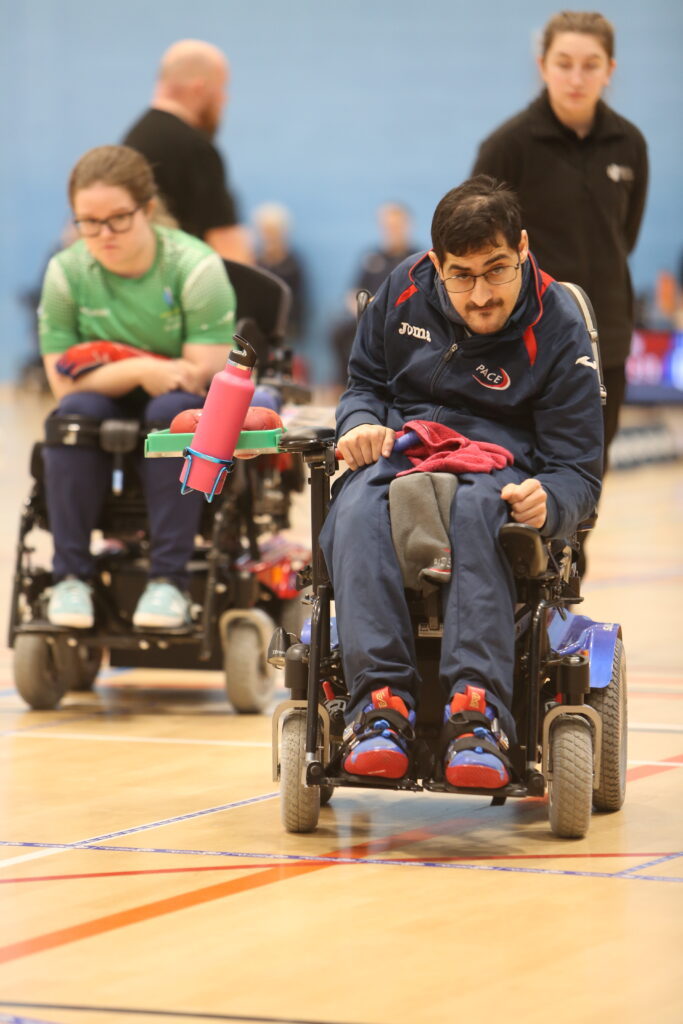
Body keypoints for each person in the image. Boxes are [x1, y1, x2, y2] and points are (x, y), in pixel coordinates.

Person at [320, 175, 603, 789]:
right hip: (405, 451)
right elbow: (363, 383)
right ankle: (379, 710)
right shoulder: (402, 290)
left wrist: (549, 500)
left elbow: (578, 470)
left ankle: (478, 716)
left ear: (523, 249)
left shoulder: (557, 326)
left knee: (484, 512)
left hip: (501, 469)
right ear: (435, 264)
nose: (479, 295)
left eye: (497, 270)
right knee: (356, 507)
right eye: (461, 275)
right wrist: (363, 422)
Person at [38, 145, 236, 630]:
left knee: (173, 411)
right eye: (88, 222)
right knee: (73, 415)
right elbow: (63, 384)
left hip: (177, 395)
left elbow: (196, 370)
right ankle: (71, 579)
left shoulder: (196, 267)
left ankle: (167, 581)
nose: (103, 234)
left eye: (118, 219)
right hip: (109, 392)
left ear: (147, 209)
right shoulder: (66, 272)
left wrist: (116, 362)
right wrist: (140, 367)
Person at [472, 11, 648, 462]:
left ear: (610, 70)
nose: (576, 77)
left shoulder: (631, 144)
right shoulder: (507, 146)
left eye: (590, 64)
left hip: (606, 338)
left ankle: (581, 539)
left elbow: (623, 238)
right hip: (527, 340)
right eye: (563, 62)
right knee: (528, 473)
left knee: (590, 473)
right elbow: (473, 244)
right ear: (542, 65)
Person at [123, 39, 253, 264]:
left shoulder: (132, 140)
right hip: (188, 290)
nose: (224, 99)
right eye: (221, 89)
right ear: (199, 89)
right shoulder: (196, 149)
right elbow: (227, 245)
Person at [330, 202, 419, 386]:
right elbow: (355, 292)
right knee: (338, 332)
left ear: (407, 225)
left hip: (405, 319)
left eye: (396, 226)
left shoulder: (417, 259)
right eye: (387, 226)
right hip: (371, 316)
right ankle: (346, 385)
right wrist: (361, 310)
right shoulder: (371, 257)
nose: (392, 231)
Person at [252, 202, 308, 344]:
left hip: (284, 325)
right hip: (256, 324)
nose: (269, 236)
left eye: (273, 231)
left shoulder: (292, 263)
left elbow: (299, 299)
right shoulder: (254, 260)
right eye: (265, 231)